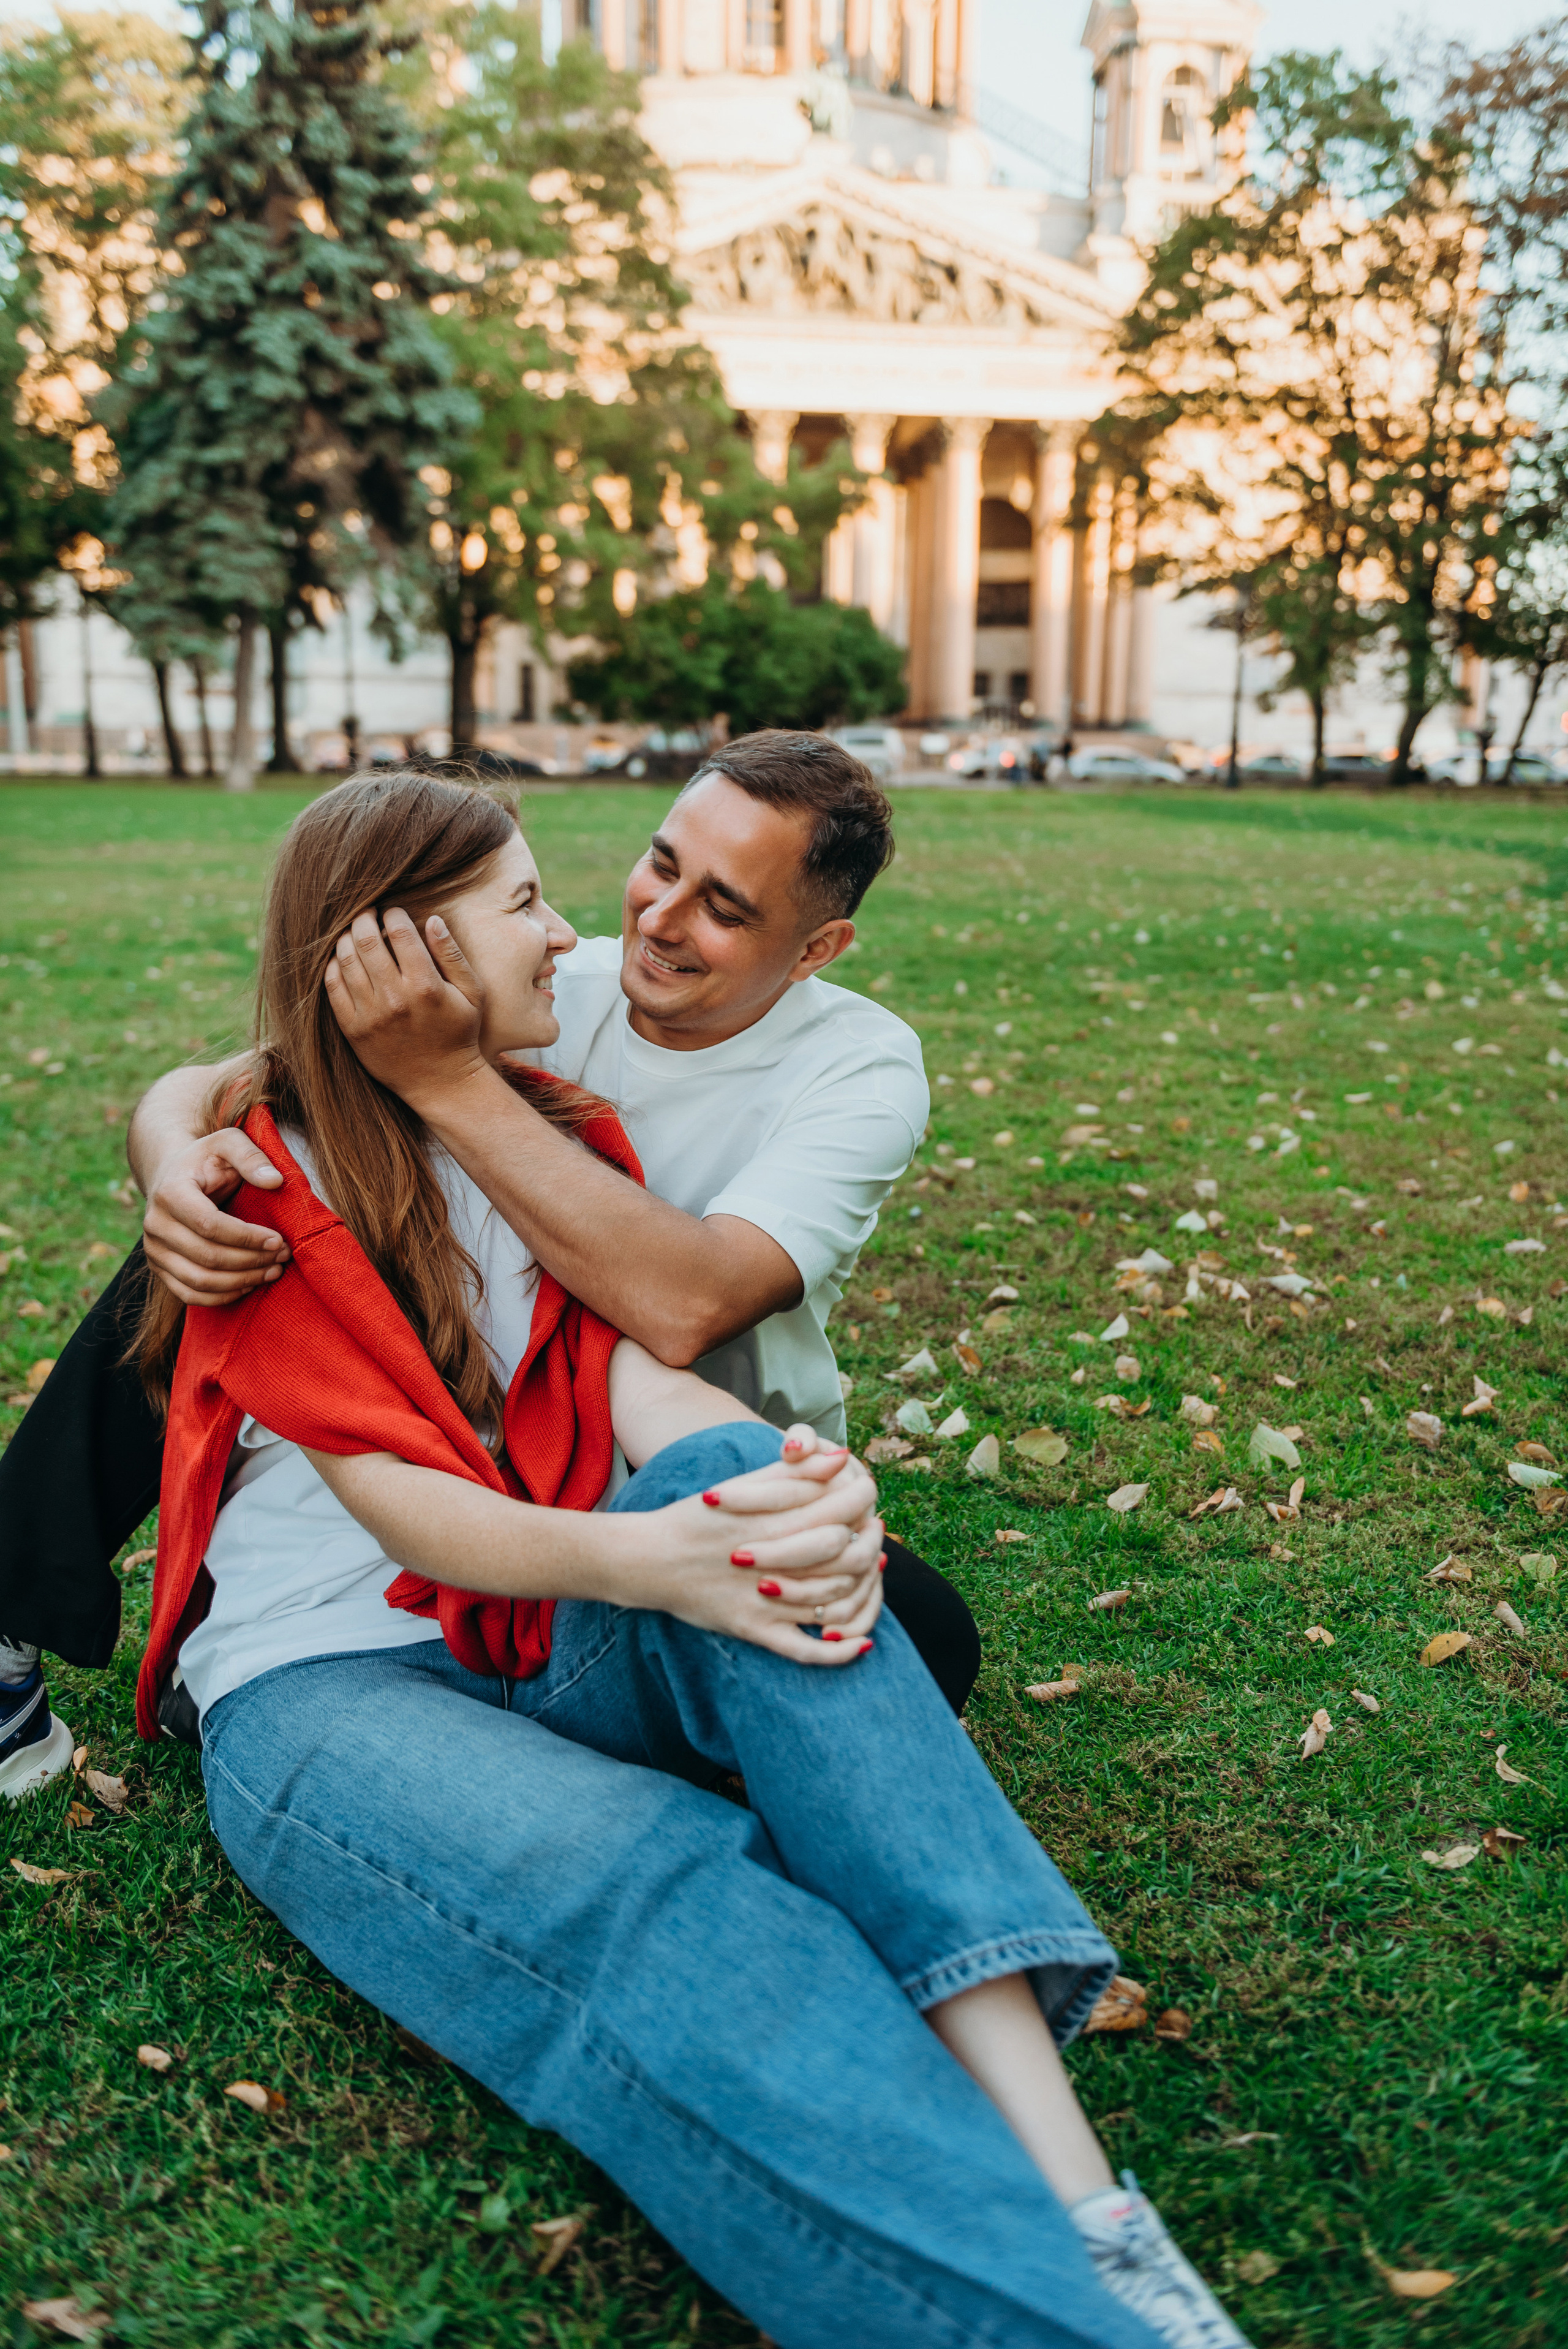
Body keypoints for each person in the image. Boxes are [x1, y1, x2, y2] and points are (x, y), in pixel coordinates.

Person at [129, 771, 1248, 2349]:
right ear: (405, 961)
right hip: (327, 1684)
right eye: (530, 904)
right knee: (685, 1904)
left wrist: (795, 1492)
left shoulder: (569, 1128)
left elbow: (637, 1373)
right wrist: (664, 1565)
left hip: (535, 1617)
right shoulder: (262, 1179)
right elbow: (401, 1512)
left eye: (715, 906)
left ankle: (1088, 2200)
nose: (593, 928)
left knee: (748, 1481)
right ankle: (1065, 2322)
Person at [0, 734, 978, 1779]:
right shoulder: (570, 977)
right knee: (222, 1226)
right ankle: (18, 1603)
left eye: (724, 908)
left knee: (927, 1632)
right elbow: (262, 1074)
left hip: (689, 1435)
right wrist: (172, 1164)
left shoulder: (860, 1071)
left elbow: (691, 1303)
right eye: (662, 861)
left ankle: (585, 1701)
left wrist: (447, 1076)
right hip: (499, 1413)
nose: (658, 916)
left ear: (817, 947)